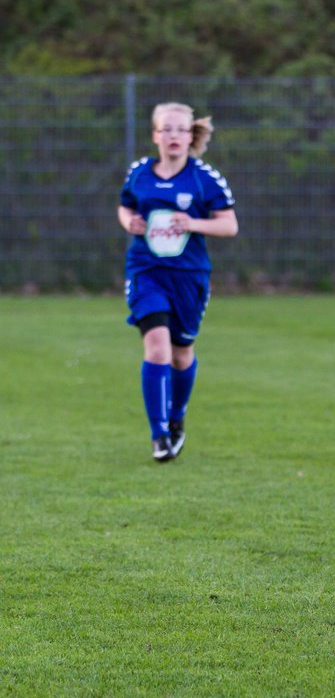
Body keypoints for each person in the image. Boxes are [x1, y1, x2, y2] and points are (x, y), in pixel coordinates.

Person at [118, 102, 238, 462]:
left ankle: (176, 417)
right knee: (157, 347)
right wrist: (129, 222)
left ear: (191, 136)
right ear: (155, 135)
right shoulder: (140, 172)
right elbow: (125, 206)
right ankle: (159, 437)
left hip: (188, 278)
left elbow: (229, 225)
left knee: (182, 352)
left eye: (180, 130)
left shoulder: (204, 178)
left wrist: (194, 223)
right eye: (166, 129)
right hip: (146, 272)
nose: (173, 136)